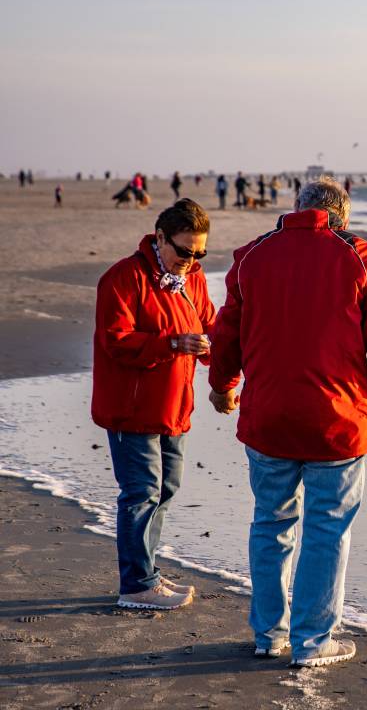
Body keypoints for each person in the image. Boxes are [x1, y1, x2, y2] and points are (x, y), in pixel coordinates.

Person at [208, 177, 367, 667]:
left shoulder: (253, 256)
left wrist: (222, 384)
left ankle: (268, 635)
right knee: (327, 529)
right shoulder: (363, 258)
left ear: (296, 208)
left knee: (270, 523)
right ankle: (314, 641)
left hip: (269, 416)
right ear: (343, 215)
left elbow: (226, 329)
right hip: (336, 420)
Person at [92, 199, 216, 610]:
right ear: (160, 237)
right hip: (131, 408)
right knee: (140, 492)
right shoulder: (122, 278)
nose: (191, 260)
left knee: (165, 490)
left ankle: (147, 574)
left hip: (174, 406)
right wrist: (173, 343)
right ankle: (137, 585)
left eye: (199, 253)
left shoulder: (193, 280)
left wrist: (224, 355)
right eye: (184, 251)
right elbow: (115, 341)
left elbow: (210, 327)